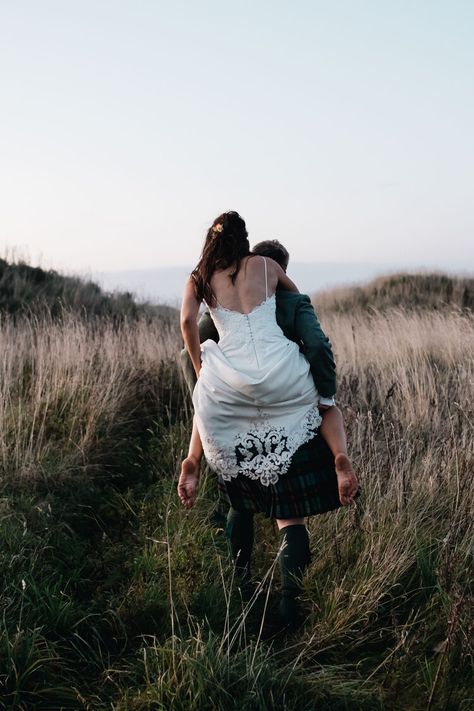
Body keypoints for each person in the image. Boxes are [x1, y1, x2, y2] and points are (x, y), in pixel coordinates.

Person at [179, 211, 358, 628]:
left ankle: (241, 585)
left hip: (232, 384)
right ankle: (290, 607)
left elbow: (188, 321)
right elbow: (297, 303)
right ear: (246, 240)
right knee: (291, 513)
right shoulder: (265, 265)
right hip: (282, 376)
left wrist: (200, 364)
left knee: (211, 414)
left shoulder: (200, 276)